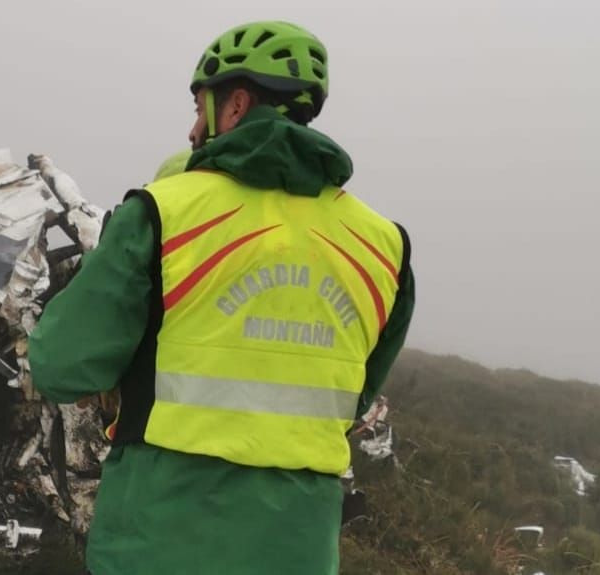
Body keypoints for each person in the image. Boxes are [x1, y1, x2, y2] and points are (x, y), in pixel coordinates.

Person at [29, 21, 415, 574]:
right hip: (298, 549)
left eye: (198, 107)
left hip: (160, 540)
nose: (192, 130)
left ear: (235, 105)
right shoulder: (384, 246)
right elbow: (353, 397)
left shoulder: (163, 213)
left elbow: (60, 364)